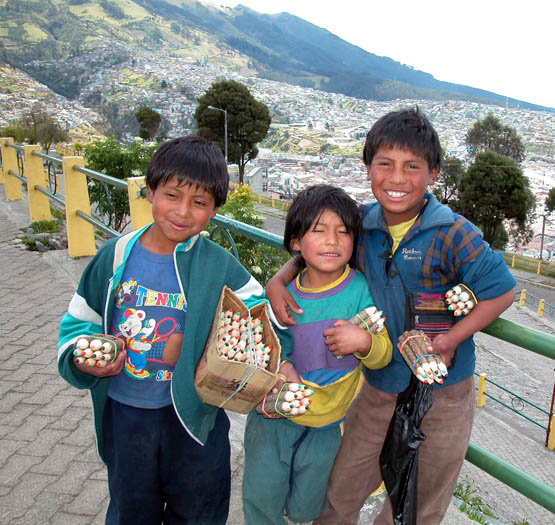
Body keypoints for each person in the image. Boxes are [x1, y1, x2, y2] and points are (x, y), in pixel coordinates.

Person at [266, 108, 517, 524]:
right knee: (341, 488)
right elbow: (318, 254)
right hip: (380, 382)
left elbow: (501, 291)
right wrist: (280, 279)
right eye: (385, 164)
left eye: (412, 167)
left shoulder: (453, 232)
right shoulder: (360, 224)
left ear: (433, 173)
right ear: (368, 169)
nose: (397, 179)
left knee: (421, 502)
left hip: (445, 391)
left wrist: (452, 340)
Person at [57, 136, 282, 524]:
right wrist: (82, 357)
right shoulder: (115, 257)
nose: (182, 212)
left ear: (214, 209)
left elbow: (262, 322)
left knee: (200, 510)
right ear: (150, 191)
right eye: (172, 195)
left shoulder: (219, 264)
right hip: (127, 415)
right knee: (131, 509)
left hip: (196, 420)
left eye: (199, 202)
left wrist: (266, 367)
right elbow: (82, 320)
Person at [243, 184, 392, 524]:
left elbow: (383, 355)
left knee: (307, 507)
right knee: (262, 499)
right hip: (274, 420)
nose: (333, 241)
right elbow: (262, 343)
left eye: (343, 232)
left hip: (328, 424)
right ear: (296, 242)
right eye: (319, 230)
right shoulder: (283, 299)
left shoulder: (359, 291)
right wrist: (282, 365)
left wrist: (364, 342)